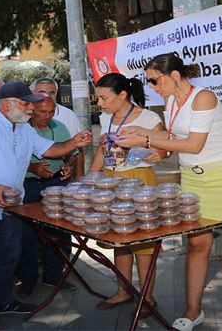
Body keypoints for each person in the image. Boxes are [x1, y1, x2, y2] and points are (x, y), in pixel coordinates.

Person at [116, 54, 222, 331]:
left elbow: (194, 145)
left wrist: (144, 138)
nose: (153, 87)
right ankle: (193, 311)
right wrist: (150, 138)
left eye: (155, 80)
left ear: (175, 76)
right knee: (197, 246)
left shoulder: (204, 97)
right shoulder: (170, 101)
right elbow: (173, 136)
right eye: (150, 82)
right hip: (194, 180)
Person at [0, 82, 94, 331]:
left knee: (10, 255)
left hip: (13, 203)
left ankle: (5, 300)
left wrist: (74, 142)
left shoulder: (24, 129)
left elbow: (51, 150)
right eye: (26, 102)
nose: (32, 107)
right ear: (7, 104)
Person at [89, 73, 165, 315]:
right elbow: (104, 149)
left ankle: (147, 297)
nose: (100, 104)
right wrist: (91, 178)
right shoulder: (106, 117)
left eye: (104, 98)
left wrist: (155, 150)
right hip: (112, 182)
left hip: (140, 182)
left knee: (143, 242)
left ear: (122, 95)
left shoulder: (149, 117)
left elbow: (166, 145)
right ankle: (123, 290)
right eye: (97, 98)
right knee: (119, 240)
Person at [17, 96, 77, 297]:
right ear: (32, 109)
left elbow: (72, 152)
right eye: (43, 112)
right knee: (27, 234)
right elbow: (9, 157)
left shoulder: (59, 127)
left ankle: (53, 276)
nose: (47, 116)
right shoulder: (21, 128)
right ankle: (28, 280)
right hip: (29, 185)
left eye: (51, 112)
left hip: (56, 184)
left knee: (59, 231)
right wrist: (32, 166)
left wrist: (69, 165)